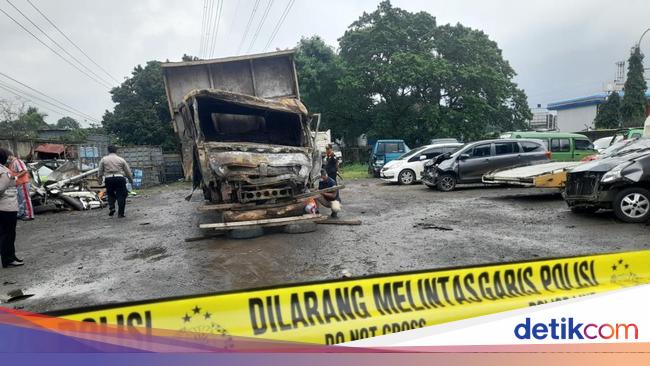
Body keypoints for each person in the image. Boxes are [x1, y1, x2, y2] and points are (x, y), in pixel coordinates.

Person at [0, 148, 23, 268]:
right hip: (6, 207)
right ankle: (7, 259)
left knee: (8, 234)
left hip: (7, 206)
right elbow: (1, 188)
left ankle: (11, 256)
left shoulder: (4, 169)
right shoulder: (3, 171)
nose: (9, 159)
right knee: (7, 234)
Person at [98, 145, 133, 218]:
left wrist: (100, 180)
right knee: (122, 195)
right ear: (116, 151)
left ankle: (112, 207)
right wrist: (130, 180)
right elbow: (127, 171)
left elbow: (100, 171)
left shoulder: (104, 159)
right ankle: (120, 213)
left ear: (108, 151)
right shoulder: (121, 159)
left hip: (109, 179)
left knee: (110, 193)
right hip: (119, 178)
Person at [8, 153, 34, 221]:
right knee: (20, 200)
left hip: (23, 183)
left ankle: (29, 215)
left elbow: (24, 170)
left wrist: (16, 177)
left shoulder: (17, 161)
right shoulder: (11, 163)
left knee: (25, 200)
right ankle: (21, 214)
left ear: (10, 156)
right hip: (18, 184)